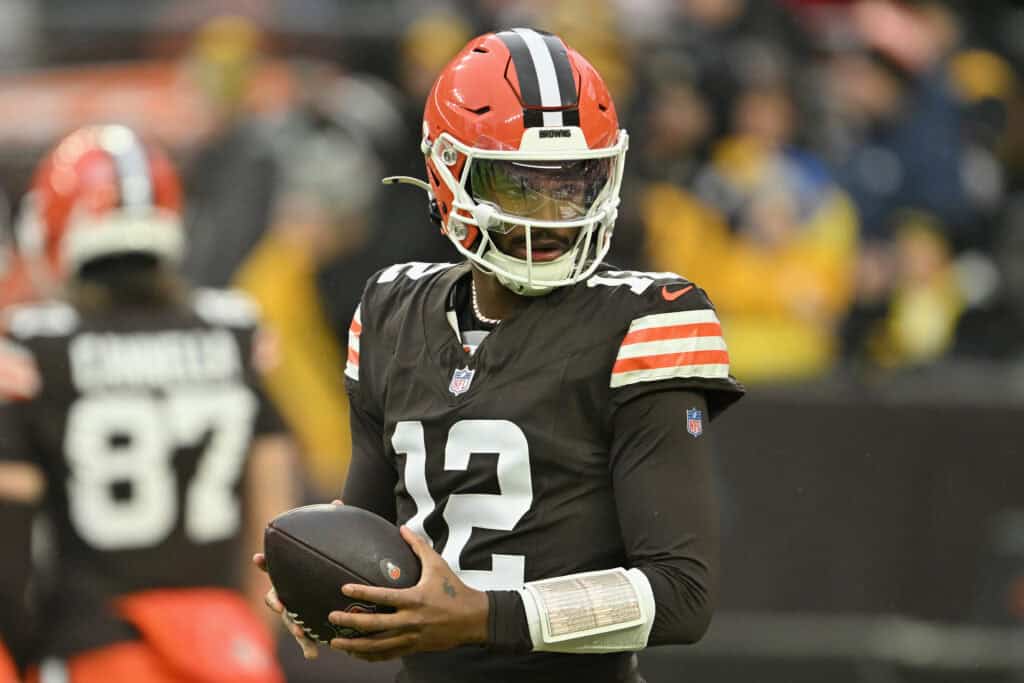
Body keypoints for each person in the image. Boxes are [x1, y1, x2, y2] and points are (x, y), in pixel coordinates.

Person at [258, 28, 745, 682]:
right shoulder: (390, 309)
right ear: (447, 175)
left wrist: (482, 614)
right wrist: (325, 584)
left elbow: (682, 593)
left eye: (571, 182)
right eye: (519, 184)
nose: (551, 212)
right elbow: (371, 536)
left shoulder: (646, 318)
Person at [0, 125, 296, 683]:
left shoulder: (35, 348)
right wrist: (249, 638)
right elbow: (279, 521)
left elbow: (9, 549)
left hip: (96, 651)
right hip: (230, 652)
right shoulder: (236, 330)